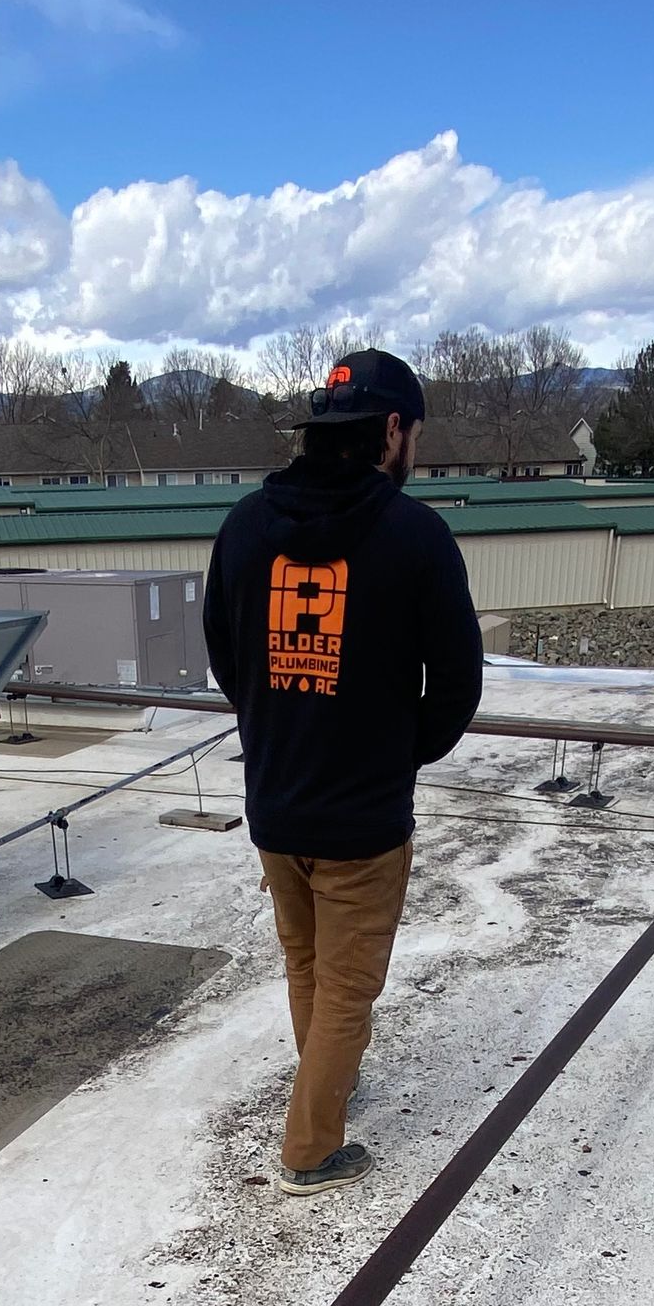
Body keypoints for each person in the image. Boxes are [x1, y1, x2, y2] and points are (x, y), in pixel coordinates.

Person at [202, 349, 483, 1196]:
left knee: (308, 964)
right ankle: (312, 1146)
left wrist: (277, 725)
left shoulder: (247, 526)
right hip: (361, 818)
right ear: (391, 429)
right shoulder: (415, 536)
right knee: (350, 983)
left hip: (277, 802)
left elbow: (225, 654)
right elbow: (459, 683)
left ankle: (326, 1079)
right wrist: (399, 755)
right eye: (415, 435)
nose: (415, 453)